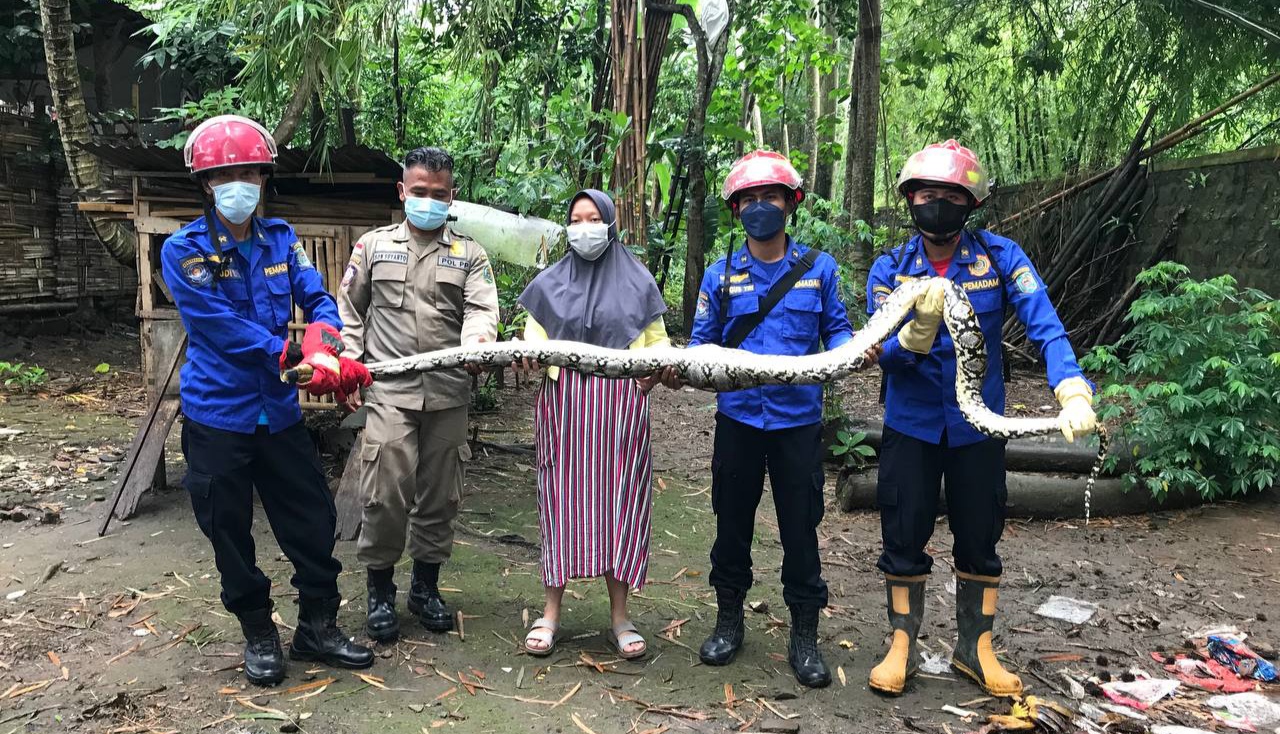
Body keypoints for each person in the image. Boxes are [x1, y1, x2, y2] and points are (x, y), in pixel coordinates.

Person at [864, 139, 1097, 697]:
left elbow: (1044, 322)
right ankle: (903, 644)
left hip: (979, 427)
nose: (936, 203)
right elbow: (879, 350)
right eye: (926, 193)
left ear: (971, 203)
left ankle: (976, 646)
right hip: (911, 424)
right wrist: (913, 337)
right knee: (903, 530)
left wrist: (1071, 387)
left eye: (950, 194)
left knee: (979, 534)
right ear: (909, 199)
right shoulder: (890, 268)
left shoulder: (1001, 258)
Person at [161, 115, 374, 687]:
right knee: (227, 527)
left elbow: (318, 297)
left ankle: (318, 626)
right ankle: (258, 629)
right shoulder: (183, 251)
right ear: (206, 183)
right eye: (226, 173)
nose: (241, 182)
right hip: (218, 416)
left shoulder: (281, 239)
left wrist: (326, 347)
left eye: (250, 171)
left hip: (277, 414)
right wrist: (289, 356)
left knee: (312, 516)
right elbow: (218, 326)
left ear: (263, 176)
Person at [688, 150, 877, 688]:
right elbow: (702, 345)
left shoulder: (819, 269)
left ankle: (804, 636)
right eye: (748, 199)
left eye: (769, 196)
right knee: (732, 525)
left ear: (791, 203)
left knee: (801, 529)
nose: (759, 206)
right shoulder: (721, 276)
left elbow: (837, 330)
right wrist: (689, 368)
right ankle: (729, 621)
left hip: (798, 424)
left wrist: (853, 350)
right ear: (736, 210)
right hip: (739, 421)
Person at [337, 147, 499, 643]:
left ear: (452, 197)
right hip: (388, 390)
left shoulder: (469, 253)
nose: (429, 201)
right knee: (384, 492)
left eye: (439, 194)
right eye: (420, 192)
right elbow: (350, 309)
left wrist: (478, 342)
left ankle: (425, 587)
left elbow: (481, 311)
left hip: (448, 391)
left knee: (439, 496)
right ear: (402, 192)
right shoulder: (373, 246)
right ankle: (380, 589)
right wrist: (349, 362)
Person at [512, 189, 675, 659]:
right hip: (564, 406)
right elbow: (533, 339)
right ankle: (551, 613)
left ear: (609, 224)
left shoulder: (638, 281)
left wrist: (647, 378)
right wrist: (528, 355)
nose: (584, 227)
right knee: (560, 502)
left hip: (619, 409)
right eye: (576, 219)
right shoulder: (550, 282)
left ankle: (620, 617)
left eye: (593, 218)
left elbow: (657, 346)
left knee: (618, 505)